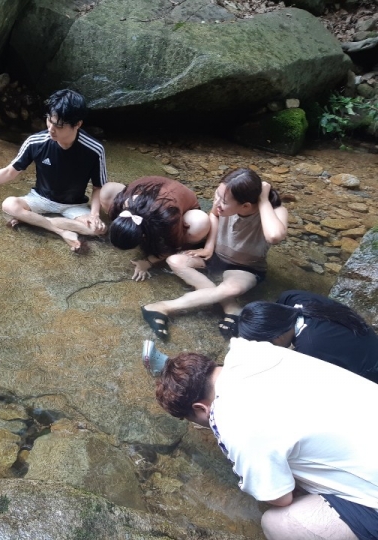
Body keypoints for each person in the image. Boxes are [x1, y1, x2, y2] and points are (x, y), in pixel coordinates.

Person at [155, 338, 378, 540]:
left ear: (200, 408)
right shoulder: (254, 352)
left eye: (189, 418)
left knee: (278, 523)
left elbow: (281, 497)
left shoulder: (234, 421)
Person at [141, 168, 288, 340]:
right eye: (217, 194)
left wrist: (263, 199)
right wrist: (209, 247)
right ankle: (231, 307)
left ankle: (162, 307)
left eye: (223, 201)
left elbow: (274, 236)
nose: (217, 202)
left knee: (233, 288)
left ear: (246, 206)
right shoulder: (222, 202)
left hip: (245, 268)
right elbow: (213, 215)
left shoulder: (275, 211)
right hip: (216, 257)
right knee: (175, 260)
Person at [0, 89, 107, 252]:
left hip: (73, 205)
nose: (51, 129)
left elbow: (98, 186)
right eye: (49, 120)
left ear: (78, 124)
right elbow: (10, 171)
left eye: (59, 126)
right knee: (9, 205)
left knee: (98, 229)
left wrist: (94, 214)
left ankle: (33, 220)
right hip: (40, 199)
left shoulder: (94, 149)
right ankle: (60, 230)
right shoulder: (36, 142)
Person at [238, 290, 378, 383]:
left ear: (278, 337)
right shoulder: (293, 298)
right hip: (367, 338)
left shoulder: (309, 347)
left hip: (369, 370)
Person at [99, 177, 211, 280]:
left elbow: (172, 247)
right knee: (107, 190)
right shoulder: (124, 202)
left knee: (199, 223)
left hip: (182, 198)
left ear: (143, 236)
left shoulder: (167, 218)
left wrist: (147, 262)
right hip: (159, 187)